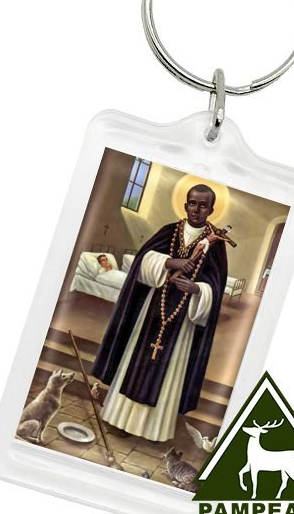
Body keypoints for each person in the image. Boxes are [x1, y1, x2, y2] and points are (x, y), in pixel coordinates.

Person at [91, 184, 228, 441]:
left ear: (211, 210)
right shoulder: (169, 231)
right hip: (152, 310)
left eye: (203, 205)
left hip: (183, 319)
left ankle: (153, 430)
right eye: (192, 203)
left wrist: (197, 289)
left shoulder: (216, 245)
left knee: (168, 370)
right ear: (185, 204)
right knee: (135, 361)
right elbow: (143, 261)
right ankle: (119, 420)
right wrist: (170, 262)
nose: (196, 209)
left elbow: (216, 286)